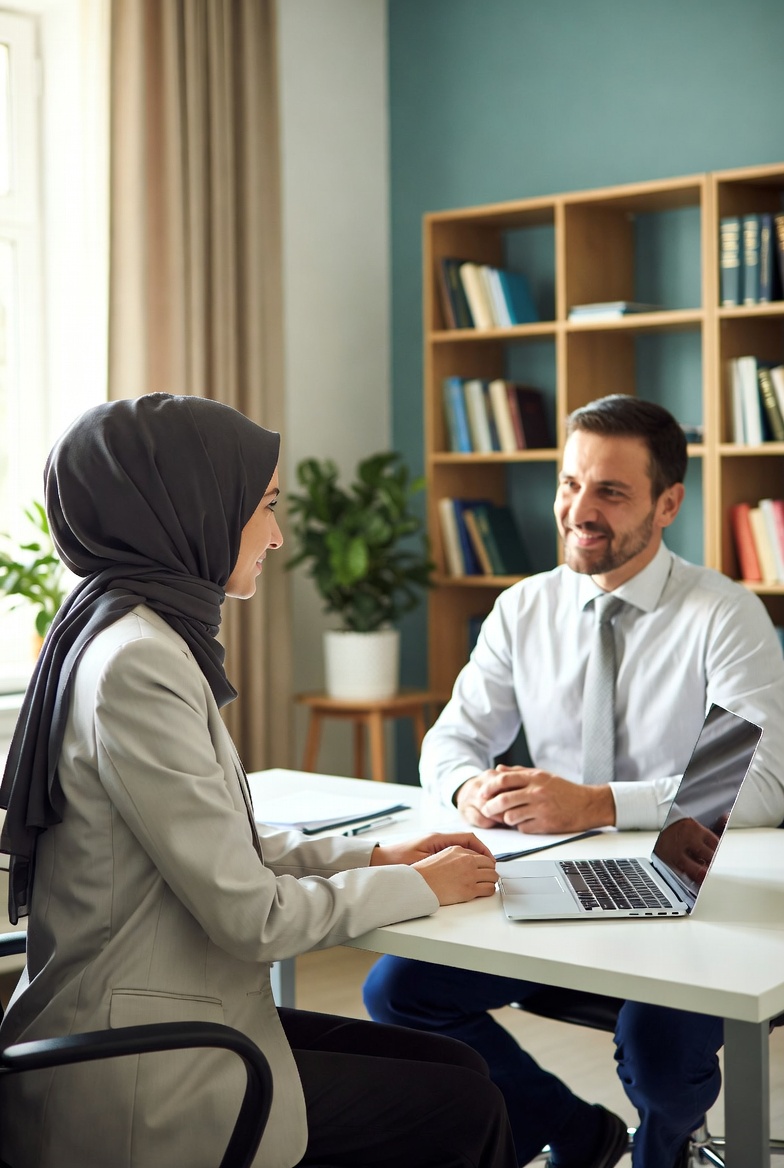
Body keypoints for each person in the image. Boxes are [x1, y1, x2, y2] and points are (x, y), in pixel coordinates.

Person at [0, 393, 519, 1168]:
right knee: (464, 1103)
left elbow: (224, 850)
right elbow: (253, 919)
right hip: (140, 1060)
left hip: (154, 1011)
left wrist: (377, 859)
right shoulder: (137, 661)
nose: (276, 536)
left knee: (458, 1068)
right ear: (192, 506)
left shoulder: (115, 629)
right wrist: (425, 887)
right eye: (266, 507)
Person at [363, 394, 784, 1168]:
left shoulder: (724, 616)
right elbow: (450, 741)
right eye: (569, 485)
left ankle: (667, 1151)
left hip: (679, 901)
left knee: (659, 1045)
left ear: (668, 504)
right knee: (397, 993)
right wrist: (469, 790)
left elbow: (756, 787)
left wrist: (595, 804)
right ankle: (574, 1130)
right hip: (548, 883)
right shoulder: (524, 608)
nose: (578, 511)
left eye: (609, 493)